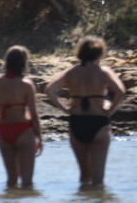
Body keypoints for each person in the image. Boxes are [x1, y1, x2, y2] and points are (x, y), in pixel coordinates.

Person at [45, 36, 126, 186]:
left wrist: (65, 108)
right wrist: (110, 109)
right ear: (99, 54)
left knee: (84, 176)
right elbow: (121, 91)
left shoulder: (71, 72)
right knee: (98, 178)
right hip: (99, 122)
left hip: (77, 122)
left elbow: (49, 89)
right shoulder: (104, 71)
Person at [0, 45, 42, 189]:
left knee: (11, 181)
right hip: (23, 130)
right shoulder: (26, 84)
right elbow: (34, 115)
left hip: (4, 131)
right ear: (23, 63)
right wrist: (39, 137)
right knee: (27, 182)